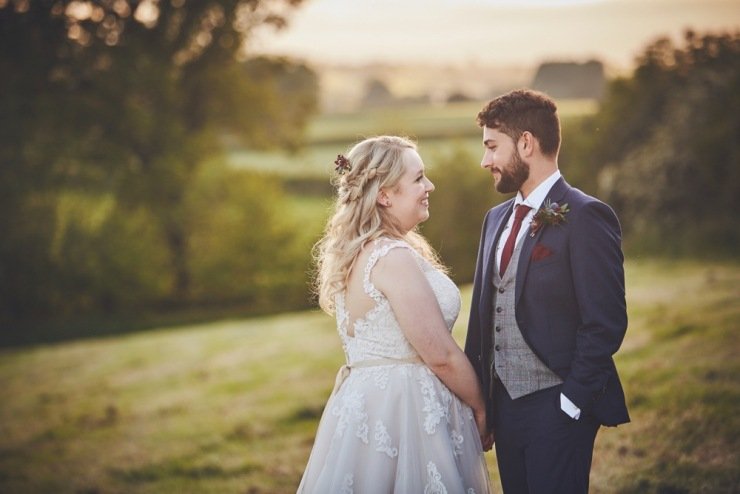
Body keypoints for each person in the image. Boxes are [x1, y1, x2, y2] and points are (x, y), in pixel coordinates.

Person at [298, 136, 492, 493]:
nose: (429, 186)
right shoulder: (391, 257)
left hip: (367, 406)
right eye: (419, 178)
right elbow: (442, 355)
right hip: (406, 413)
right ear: (385, 194)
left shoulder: (360, 253)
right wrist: (481, 407)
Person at [464, 89, 630, 493]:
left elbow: (605, 323)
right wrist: (481, 406)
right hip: (505, 411)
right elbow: (483, 317)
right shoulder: (495, 219)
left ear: (526, 143)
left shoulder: (585, 215)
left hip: (558, 408)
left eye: (492, 147)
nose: (485, 160)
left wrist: (570, 403)